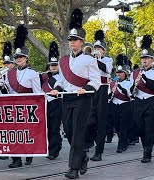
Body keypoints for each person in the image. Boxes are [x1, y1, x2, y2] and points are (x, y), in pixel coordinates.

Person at [50, 8, 101, 179]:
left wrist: (86, 88)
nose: (71, 42)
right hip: (67, 99)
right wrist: (56, 87)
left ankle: (73, 168)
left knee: (79, 133)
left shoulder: (89, 59)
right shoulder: (63, 60)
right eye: (70, 39)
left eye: (75, 40)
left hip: (83, 99)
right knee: (69, 133)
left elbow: (96, 81)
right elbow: (62, 80)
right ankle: (83, 157)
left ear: (81, 42)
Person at [5, 25, 42, 168]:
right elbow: (8, 90)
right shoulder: (9, 73)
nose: (18, 59)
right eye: (17, 57)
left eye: (21, 57)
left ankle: (29, 153)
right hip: (12, 106)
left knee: (26, 132)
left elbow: (38, 92)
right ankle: (16, 159)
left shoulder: (33, 73)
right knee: (13, 132)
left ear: (26, 58)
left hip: (27, 107)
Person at [129, 35, 154, 163]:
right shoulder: (135, 73)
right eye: (142, 58)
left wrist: (144, 78)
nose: (144, 60)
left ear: (152, 60)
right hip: (138, 101)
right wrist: (133, 86)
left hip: (151, 101)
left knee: (149, 127)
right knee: (139, 126)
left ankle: (147, 152)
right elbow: (131, 90)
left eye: (146, 58)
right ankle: (146, 146)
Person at [84, 30, 112, 161]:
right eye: (95, 48)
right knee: (89, 117)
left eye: (99, 48)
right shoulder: (89, 59)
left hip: (102, 90)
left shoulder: (108, 60)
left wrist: (97, 59)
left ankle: (99, 151)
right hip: (92, 89)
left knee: (101, 120)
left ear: (104, 51)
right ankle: (88, 141)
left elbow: (107, 70)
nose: (97, 50)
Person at [40, 41, 62, 160]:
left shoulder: (61, 77)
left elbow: (58, 86)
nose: (53, 67)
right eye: (51, 65)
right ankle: (53, 146)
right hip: (45, 103)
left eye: (55, 65)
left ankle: (54, 150)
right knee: (48, 127)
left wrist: (50, 77)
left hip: (57, 103)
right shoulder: (43, 76)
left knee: (54, 127)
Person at [109, 54, 132, 153]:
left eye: (121, 72)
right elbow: (108, 96)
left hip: (125, 105)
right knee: (117, 125)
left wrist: (120, 87)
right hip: (115, 105)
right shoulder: (112, 84)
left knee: (123, 125)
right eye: (117, 72)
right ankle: (124, 141)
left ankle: (121, 144)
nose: (118, 74)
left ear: (125, 74)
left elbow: (129, 94)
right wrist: (111, 92)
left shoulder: (129, 83)